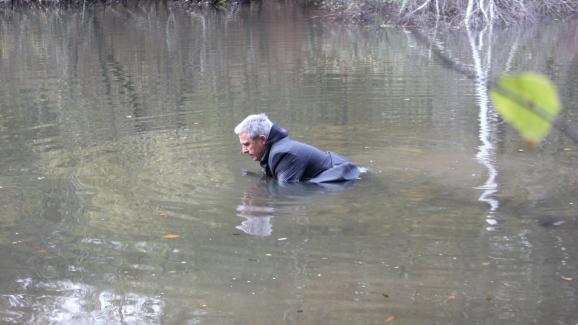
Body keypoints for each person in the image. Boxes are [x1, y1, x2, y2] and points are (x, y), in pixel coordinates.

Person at [234, 113, 360, 183]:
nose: (243, 150)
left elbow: (288, 194)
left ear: (262, 140)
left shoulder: (282, 154)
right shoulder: (273, 151)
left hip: (344, 175)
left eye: (246, 144)